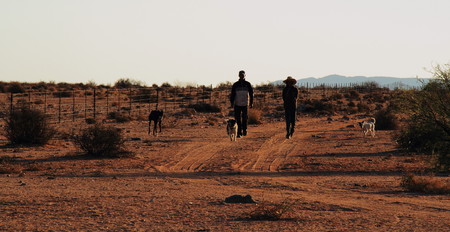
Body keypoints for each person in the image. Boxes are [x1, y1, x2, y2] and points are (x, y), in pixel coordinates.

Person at [230, 70, 254, 138]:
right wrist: (232, 102)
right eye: (240, 75)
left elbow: (251, 94)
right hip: (237, 104)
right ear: (239, 76)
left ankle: (245, 130)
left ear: (245, 76)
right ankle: (239, 132)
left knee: (244, 118)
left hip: (245, 103)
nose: (241, 76)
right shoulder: (235, 84)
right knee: (237, 118)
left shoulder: (248, 84)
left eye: (243, 75)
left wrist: (251, 103)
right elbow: (232, 94)